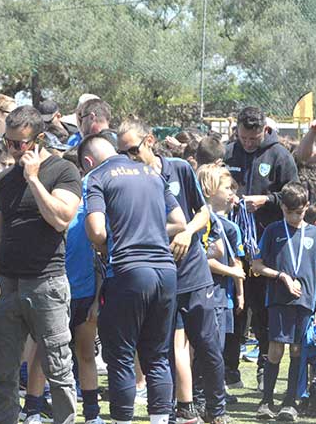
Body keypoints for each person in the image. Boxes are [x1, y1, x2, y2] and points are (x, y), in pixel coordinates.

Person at [116, 118, 230, 424]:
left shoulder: (179, 168)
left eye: (132, 149)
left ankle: (217, 411)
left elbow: (203, 213)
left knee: (207, 344)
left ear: (150, 141)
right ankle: (167, 410)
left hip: (192, 273)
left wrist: (187, 232)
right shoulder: (127, 179)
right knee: (161, 350)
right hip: (156, 277)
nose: (128, 157)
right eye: (121, 152)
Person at [79, 132, 187, 424]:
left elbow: (97, 231)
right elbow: (179, 222)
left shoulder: (96, 177)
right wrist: (149, 232)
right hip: (166, 271)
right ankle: (160, 420)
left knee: (122, 356)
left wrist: (116, 240)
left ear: (87, 162)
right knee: (157, 356)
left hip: (129, 271)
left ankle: (123, 420)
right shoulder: (151, 173)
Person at [0, 106, 82, 424]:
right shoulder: (3, 180)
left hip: (47, 284)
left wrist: (33, 179)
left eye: (20, 143)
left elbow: (61, 219)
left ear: (39, 139)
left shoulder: (64, 171)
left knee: (58, 367)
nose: (13, 149)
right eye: (8, 142)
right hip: (7, 284)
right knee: (3, 370)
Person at [224, 106, 298, 390]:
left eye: (253, 139)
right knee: (235, 307)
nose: (248, 143)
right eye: (243, 137)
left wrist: (266, 200)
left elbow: (294, 195)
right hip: (233, 246)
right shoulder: (229, 152)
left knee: (262, 309)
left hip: (265, 246)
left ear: (265, 130)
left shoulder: (280, 155)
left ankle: (265, 370)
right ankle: (230, 369)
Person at [252, 182, 316, 422]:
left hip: (304, 302)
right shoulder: (273, 230)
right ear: (282, 207)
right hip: (278, 299)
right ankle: (266, 401)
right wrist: (281, 276)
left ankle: (290, 402)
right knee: (275, 348)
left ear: (307, 207)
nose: (295, 217)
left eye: (300, 212)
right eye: (290, 212)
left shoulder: (315, 234)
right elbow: (256, 265)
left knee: (297, 350)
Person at [196, 164, 246, 405]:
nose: (231, 193)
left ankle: (214, 390)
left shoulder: (230, 226)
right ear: (209, 190)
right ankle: (203, 394)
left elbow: (236, 260)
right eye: (226, 188)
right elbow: (204, 259)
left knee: (219, 347)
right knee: (209, 347)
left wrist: (240, 292)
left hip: (224, 295)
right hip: (209, 293)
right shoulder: (202, 221)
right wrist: (232, 272)